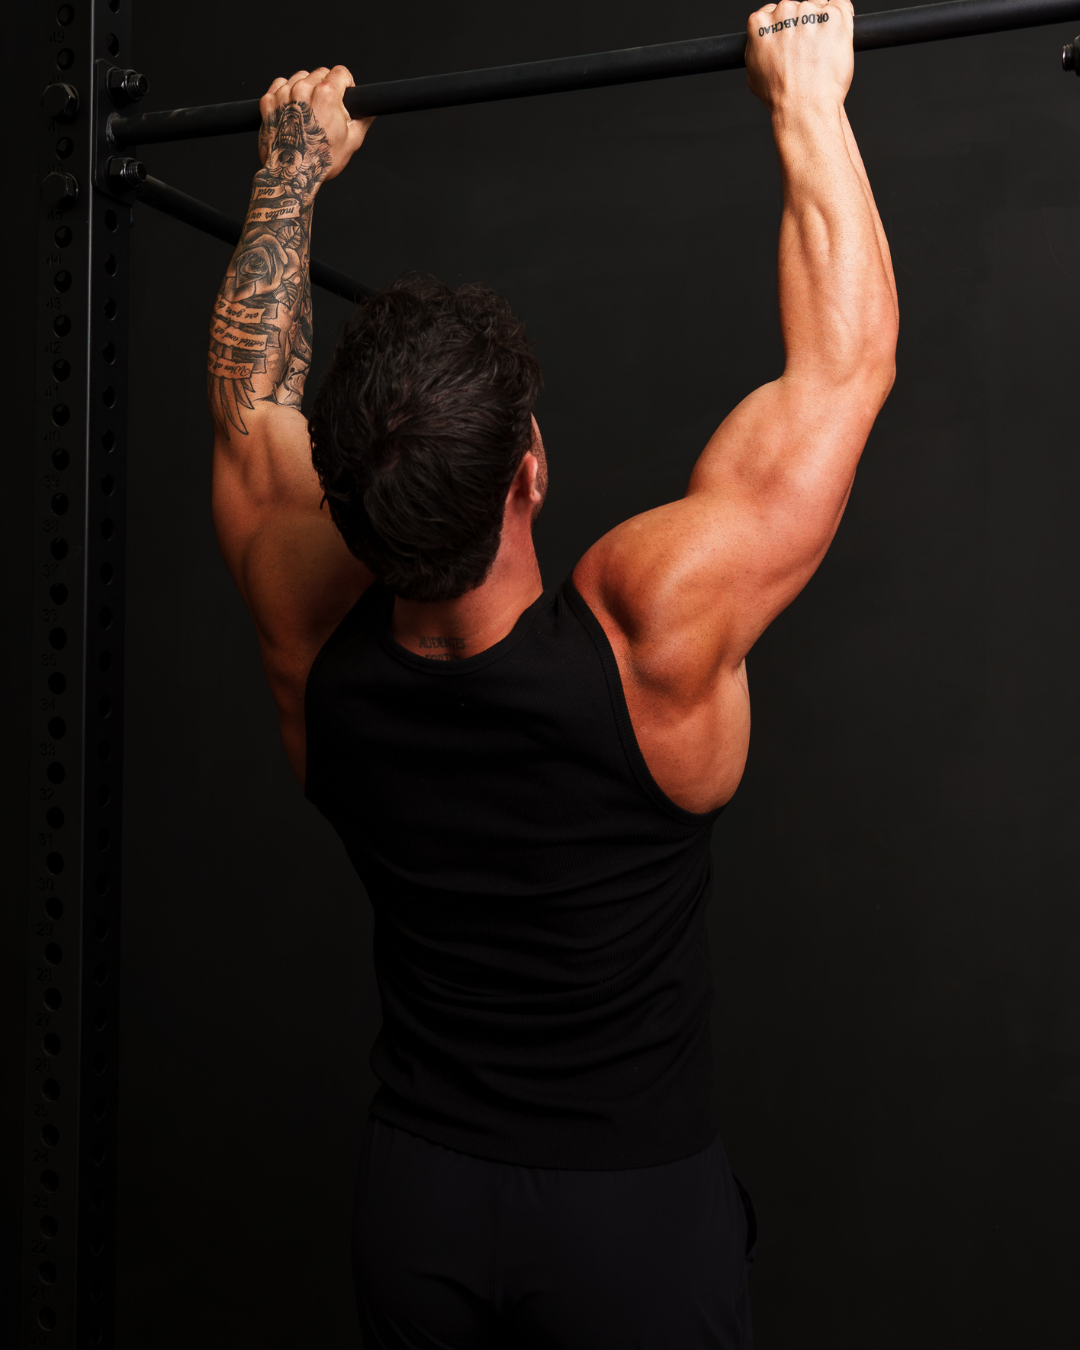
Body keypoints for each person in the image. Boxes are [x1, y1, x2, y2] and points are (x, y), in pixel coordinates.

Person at [205, 0, 896, 1344]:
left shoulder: (306, 620)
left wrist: (289, 165)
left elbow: (248, 410)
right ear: (530, 471)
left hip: (416, 1209)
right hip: (628, 1229)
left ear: (346, 498)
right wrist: (807, 99)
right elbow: (843, 370)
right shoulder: (652, 636)